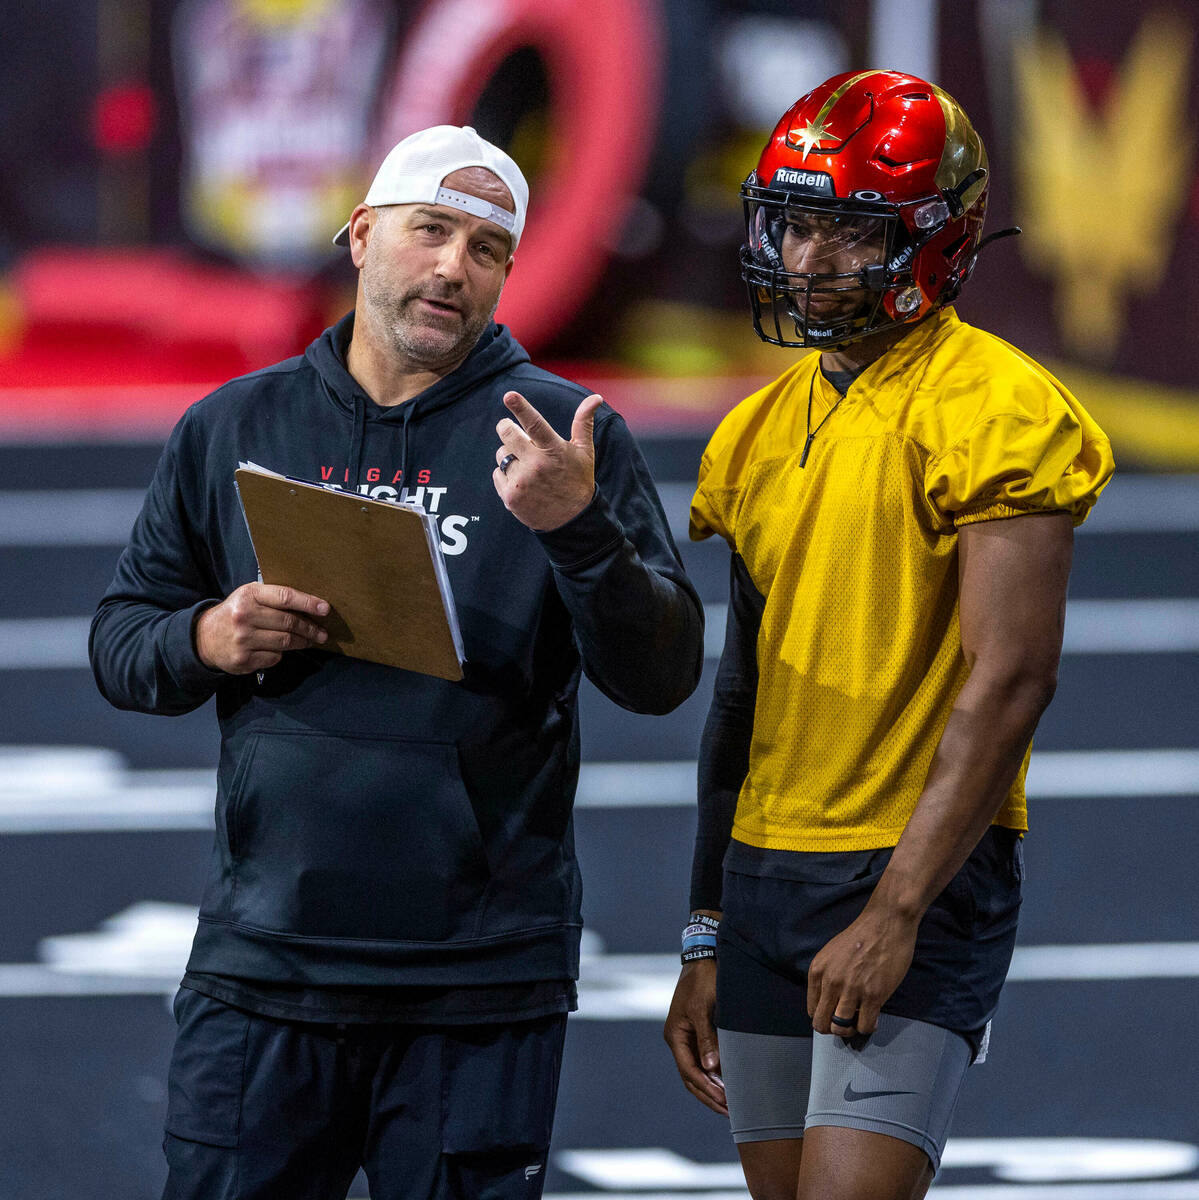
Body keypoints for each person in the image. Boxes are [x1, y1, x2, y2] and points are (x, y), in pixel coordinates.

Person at [90, 124, 704, 1200]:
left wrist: (577, 531)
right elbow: (121, 638)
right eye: (431, 231)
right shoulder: (237, 422)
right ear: (362, 235)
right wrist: (204, 638)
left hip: (476, 983)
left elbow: (657, 678)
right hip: (264, 966)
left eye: (485, 249)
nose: (453, 268)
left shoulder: (564, 435)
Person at [663, 70, 1113, 1200]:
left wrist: (896, 910)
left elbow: (1009, 680)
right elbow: (738, 698)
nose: (810, 262)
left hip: (904, 866)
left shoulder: (997, 409)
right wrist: (705, 932)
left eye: (849, 233)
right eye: (797, 224)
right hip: (764, 867)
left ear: (936, 241)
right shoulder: (757, 428)